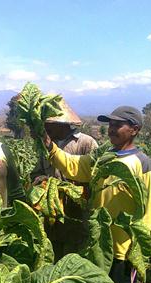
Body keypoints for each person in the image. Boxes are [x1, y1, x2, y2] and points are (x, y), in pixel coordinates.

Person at [38, 105, 151, 283]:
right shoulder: (103, 157)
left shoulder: (142, 163)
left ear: (134, 129)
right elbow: (75, 167)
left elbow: (149, 211)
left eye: (118, 125)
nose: (111, 129)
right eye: (110, 124)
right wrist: (49, 145)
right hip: (99, 245)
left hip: (123, 248)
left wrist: (137, 248)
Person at [30, 99, 98, 261]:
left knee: (75, 255)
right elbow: (35, 173)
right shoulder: (46, 145)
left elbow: (96, 179)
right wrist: (40, 180)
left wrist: (74, 189)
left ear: (62, 123)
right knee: (52, 253)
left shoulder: (85, 143)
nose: (44, 129)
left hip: (77, 213)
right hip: (52, 212)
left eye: (48, 125)